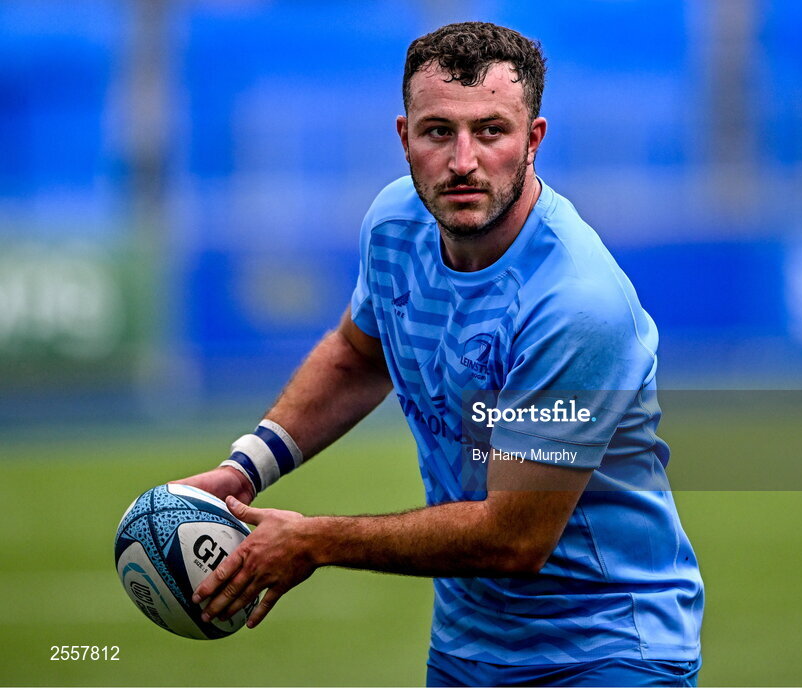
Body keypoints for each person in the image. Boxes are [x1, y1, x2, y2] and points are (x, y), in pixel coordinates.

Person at [175, 21, 704, 687]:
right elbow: (358, 354)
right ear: (404, 139)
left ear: (532, 141)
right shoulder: (395, 226)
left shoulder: (573, 303)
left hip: (606, 650)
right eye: (437, 132)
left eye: (490, 131)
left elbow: (514, 539)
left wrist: (314, 541)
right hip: (466, 648)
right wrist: (247, 467)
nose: (462, 161)